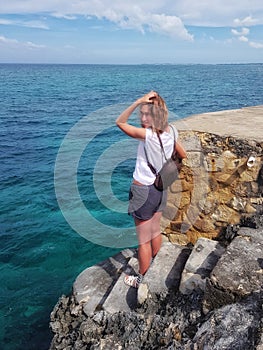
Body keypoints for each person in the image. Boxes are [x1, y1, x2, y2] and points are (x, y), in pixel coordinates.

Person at [116, 91, 187, 288]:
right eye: (141, 113)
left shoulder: (148, 136)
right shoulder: (170, 131)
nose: (142, 118)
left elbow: (120, 122)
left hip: (143, 191)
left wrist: (138, 100)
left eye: (146, 114)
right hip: (160, 188)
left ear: (156, 115)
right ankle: (156, 264)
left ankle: (142, 280)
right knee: (155, 230)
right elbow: (183, 154)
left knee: (143, 241)